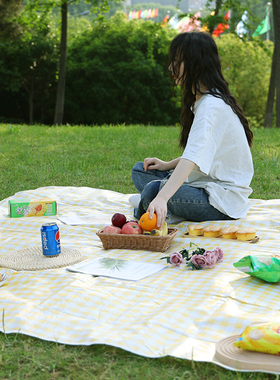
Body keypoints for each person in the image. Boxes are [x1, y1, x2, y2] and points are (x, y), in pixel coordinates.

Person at [131, 31, 254, 230]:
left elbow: (192, 159)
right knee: (140, 170)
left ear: (196, 64)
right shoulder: (206, 101)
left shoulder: (210, 107)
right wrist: (166, 165)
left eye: (177, 61)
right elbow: (202, 154)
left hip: (221, 200)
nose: (171, 67)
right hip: (203, 184)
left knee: (154, 189)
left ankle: (154, 205)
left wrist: (162, 197)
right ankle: (158, 202)